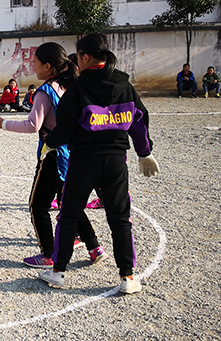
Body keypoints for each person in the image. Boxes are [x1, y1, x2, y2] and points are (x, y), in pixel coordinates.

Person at [41, 33, 159, 294]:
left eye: (78, 56)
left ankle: (58, 271)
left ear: (84, 56)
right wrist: (144, 152)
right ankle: (127, 276)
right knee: (120, 219)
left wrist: (50, 142)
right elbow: (139, 119)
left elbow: (66, 126)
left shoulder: (79, 88)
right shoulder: (125, 85)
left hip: (84, 160)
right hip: (117, 161)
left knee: (69, 214)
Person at [0, 43, 105, 269]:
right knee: (67, 202)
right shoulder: (70, 85)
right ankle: (93, 246)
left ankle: (49, 253)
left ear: (48, 65)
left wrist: (3, 123)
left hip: (54, 154)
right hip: (73, 153)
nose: (32, 67)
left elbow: (33, 125)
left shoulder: (46, 91)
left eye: (35, 63)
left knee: (38, 205)